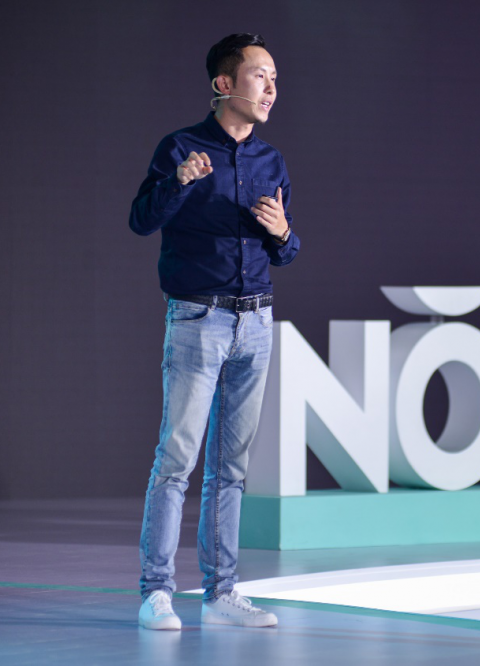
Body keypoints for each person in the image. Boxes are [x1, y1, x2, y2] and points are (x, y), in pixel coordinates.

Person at [128, 33, 299, 631]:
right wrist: (178, 182)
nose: (271, 88)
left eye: (275, 78)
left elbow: (287, 252)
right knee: (177, 459)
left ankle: (222, 593)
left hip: (257, 319)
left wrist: (282, 232)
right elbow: (140, 220)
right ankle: (156, 592)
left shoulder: (272, 161)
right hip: (199, 317)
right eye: (260, 76)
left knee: (232, 467)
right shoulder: (181, 147)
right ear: (224, 84)